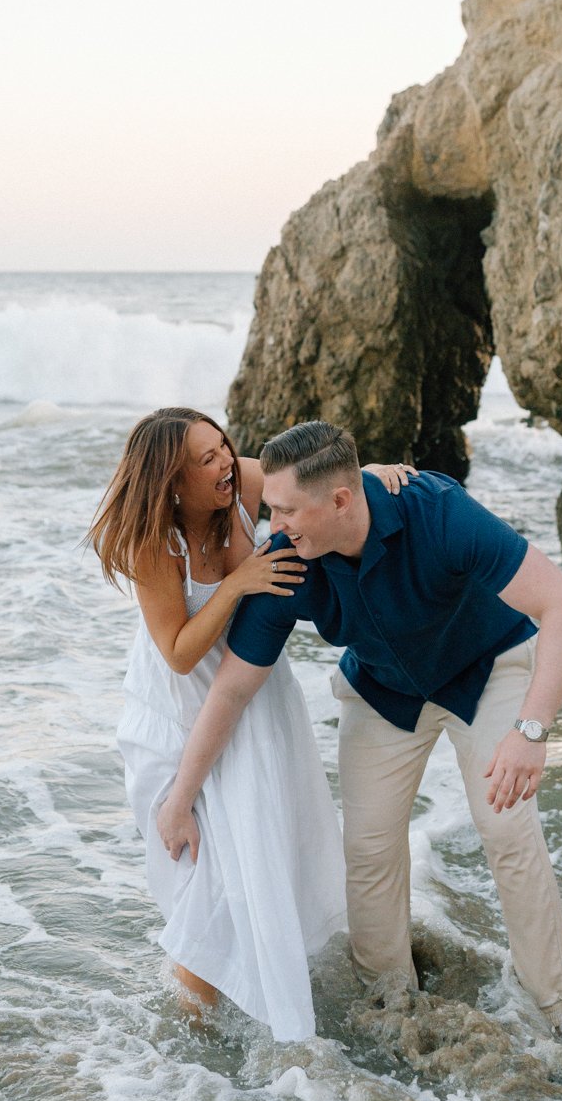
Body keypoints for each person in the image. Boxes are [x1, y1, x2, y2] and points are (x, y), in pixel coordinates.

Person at [156, 420, 562, 1033]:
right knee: (366, 846)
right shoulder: (285, 560)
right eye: (270, 509)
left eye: (285, 511)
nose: (271, 527)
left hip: (486, 671)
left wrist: (531, 732)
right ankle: (388, 1004)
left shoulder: (439, 513)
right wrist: (181, 797)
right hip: (384, 692)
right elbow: (230, 690)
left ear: (341, 500)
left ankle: (555, 1010)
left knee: (507, 830)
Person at [87, 406, 416, 1042]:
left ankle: (267, 1001)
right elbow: (180, 654)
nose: (224, 465)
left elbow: (316, 489)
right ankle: (195, 1032)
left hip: (255, 697)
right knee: (206, 873)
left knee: (267, 852)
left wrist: (377, 473)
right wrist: (238, 582)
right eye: (204, 460)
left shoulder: (241, 481)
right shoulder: (156, 545)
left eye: (222, 448)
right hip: (183, 711)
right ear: (172, 483)